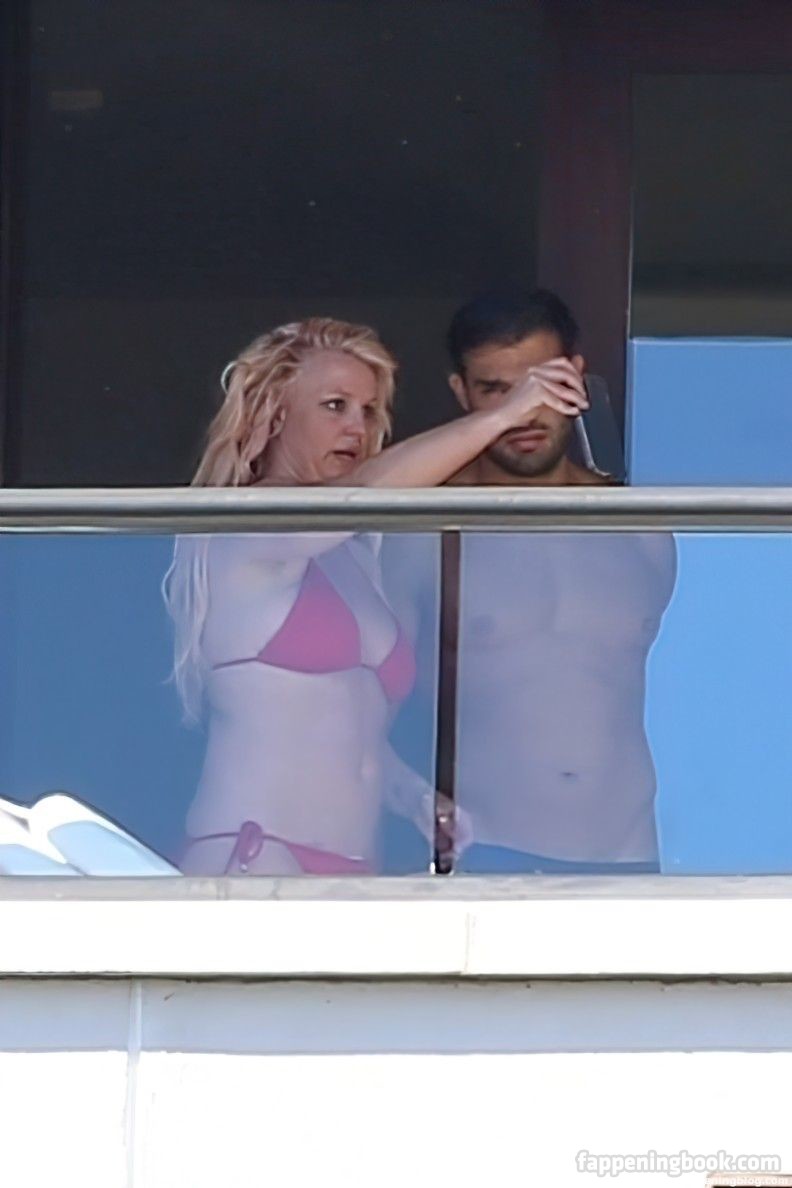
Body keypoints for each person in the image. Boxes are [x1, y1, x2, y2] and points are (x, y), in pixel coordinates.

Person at [164, 316, 588, 875]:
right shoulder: (245, 525)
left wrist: (413, 798)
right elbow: (362, 493)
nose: (356, 428)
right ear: (275, 414)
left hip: (358, 865)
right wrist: (504, 415)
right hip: (258, 851)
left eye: (368, 411)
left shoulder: (354, 552)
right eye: (334, 406)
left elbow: (344, 727)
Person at [389, 288, 677, 874]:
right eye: (498, 391)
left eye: (540, 386)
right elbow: (359, 703)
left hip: (629, 853)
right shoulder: (429, 528)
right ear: (462, 393)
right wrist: (411, 799)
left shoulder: (639, 527)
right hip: (486, 848)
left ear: (575, 375)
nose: (525, 412)